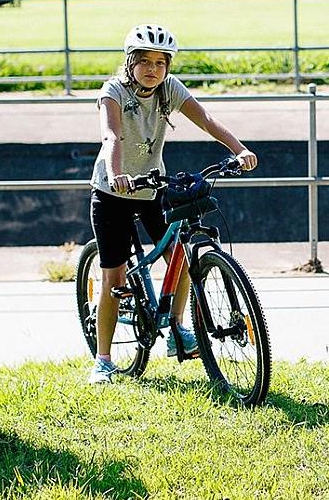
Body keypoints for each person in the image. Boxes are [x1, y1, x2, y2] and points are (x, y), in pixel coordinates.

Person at [87, 23, 257, 385]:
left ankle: (178, 328)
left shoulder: (169, 90)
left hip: (151, 186)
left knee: (179, 256)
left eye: (161, 62)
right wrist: (117, 173)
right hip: (112, 192)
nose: (152, 69)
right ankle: (103, 360)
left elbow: (206, 119)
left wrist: (238, 149)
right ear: (130, 61)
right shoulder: (113, 91)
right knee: (113, 278)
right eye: (144, 61)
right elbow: (111, 134)